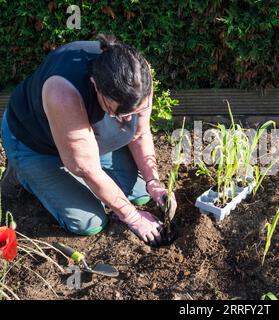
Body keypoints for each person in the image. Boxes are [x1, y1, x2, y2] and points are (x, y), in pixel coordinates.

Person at [0, 34, 176, 246]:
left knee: (139, 194)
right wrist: (133, 218)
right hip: (34, 143)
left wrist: (153, 182)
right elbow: (87, 168)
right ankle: (23, 174)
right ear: (95, 85)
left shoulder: (137, 77)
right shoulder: (63, 93)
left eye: (135, 111)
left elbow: (140, 133)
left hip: (84, 137)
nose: (129, 119)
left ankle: (71, 170)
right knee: (90, 222)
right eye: (119, 113)